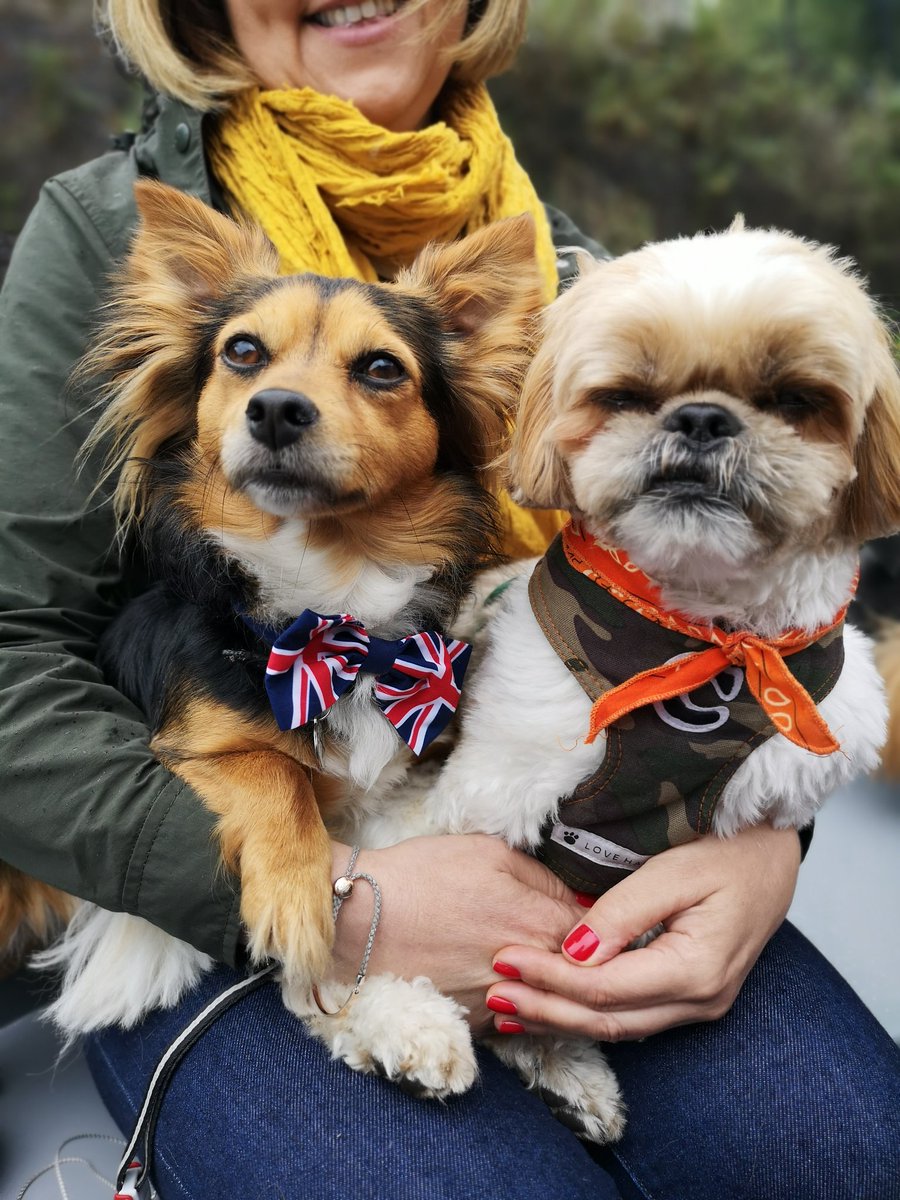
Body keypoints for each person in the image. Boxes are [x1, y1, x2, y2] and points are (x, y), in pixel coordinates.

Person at [0, 2, 898, 1197]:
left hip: (599, 838)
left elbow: (726, 595)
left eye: (379, 371)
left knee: (846, 1158)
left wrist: (765, 846)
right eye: (251, 360)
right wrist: (328, 895)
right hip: (185, 877)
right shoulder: (115, 226)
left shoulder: (568, 260)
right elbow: (10, 650)